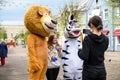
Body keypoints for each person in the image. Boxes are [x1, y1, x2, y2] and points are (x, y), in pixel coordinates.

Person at [78, 16, 109, 80]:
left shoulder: (88, 39)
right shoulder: (106, 39)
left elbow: (84, 56)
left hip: (89, 71)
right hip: (101, 70)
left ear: (91, 25)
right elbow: (104, 49)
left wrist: (79, 50)